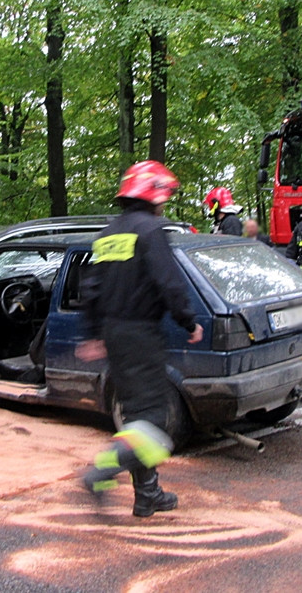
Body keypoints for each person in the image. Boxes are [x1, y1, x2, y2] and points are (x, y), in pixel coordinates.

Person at [77, 160, 204, 518]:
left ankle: (148, 495)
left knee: (136, 418)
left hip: (114, 334)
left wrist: (91, 334)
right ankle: (100, 472)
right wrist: (189, 322)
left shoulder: (107, 235)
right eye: (165, 195)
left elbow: (91, 289)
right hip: (142, 333)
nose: (165, 203)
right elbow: (169, 283)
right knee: (154, 423)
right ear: (154, 194)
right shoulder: (150, 231)